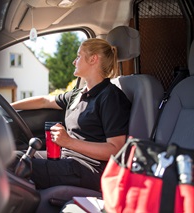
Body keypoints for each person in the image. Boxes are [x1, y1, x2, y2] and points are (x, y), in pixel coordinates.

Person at [11, 38, 131, 191]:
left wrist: (68, 142)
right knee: (11, 157)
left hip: (88, 169)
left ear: (93, 59)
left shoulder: (111, 97)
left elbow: (115, 150)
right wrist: (6, 106)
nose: (74, 61)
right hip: (67, 159)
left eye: (79, 56)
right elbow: (44, 101)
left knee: (13, 165)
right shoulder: (79, 94)